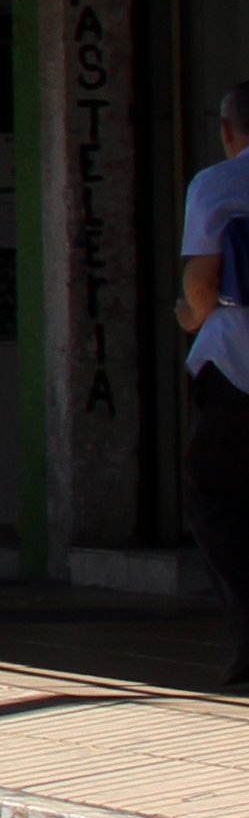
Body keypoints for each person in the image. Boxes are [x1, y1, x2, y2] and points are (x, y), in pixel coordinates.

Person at [176, 82, 249, 687]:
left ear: (230, 130)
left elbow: (202, 284)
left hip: (235, 366)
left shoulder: (218, 184)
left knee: (215, 498)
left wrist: (191, 316)